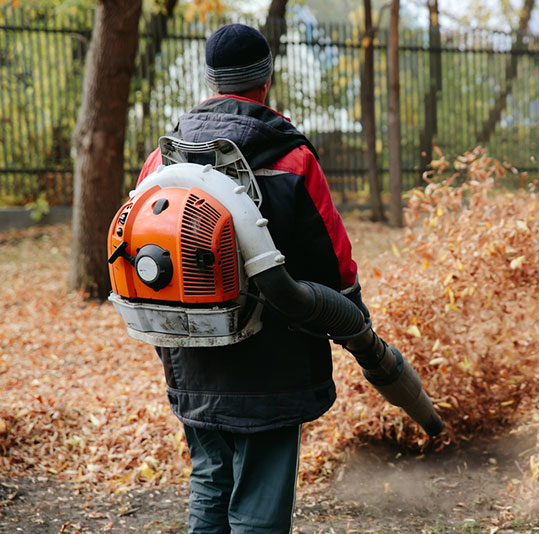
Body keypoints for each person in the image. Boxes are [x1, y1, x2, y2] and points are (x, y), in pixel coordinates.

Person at [137, 23, 368, 534]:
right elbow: (333, 262)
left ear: (212, 81)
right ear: (266, 79)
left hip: (190, 358)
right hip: (275, 363)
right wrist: (354, 314)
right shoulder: (291, 157)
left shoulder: (162, 159)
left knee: (210, 477)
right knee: (260, 493)